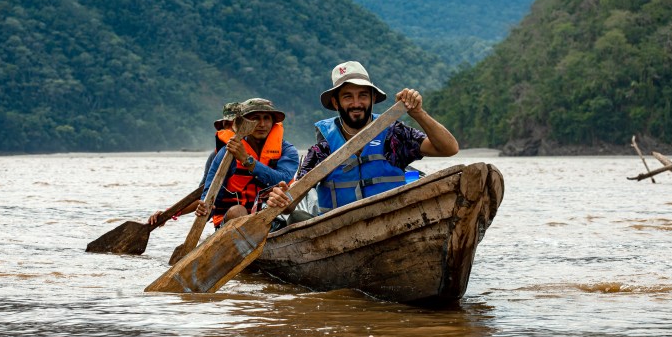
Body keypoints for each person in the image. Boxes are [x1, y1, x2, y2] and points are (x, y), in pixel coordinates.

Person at [267, 60, 458, 218]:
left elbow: (449, 148)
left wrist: (418, 113)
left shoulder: (394, 135)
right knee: (297, 218)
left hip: (392, 222)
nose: (356, 103)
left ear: (373, 99)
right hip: (338, 232)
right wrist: (281, 199)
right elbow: (291, 204)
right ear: (336, 102)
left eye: (363, 96)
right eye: (348, 97)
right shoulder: (322, 149)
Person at [194, 98, 299, 228]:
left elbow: (282, 179)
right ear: (243, 123)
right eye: (255, 118)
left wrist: (247, 161)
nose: (262, 124)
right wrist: (205, 209)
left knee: (297, 213)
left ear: (272, 122)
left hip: (269, 217)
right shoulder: (226, 152)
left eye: (266, 118)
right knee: (238, 211)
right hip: (233, 221)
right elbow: (211, 191)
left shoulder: (288, 151)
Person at [148, 101, 240, 227]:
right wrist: (167, 214)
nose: (230, 130)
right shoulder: (215, 157)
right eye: (227, 125)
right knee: (237, 212)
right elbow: (201, 197)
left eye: (235, 124)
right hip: (228, 219)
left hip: (258, 214)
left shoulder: (259, 154)